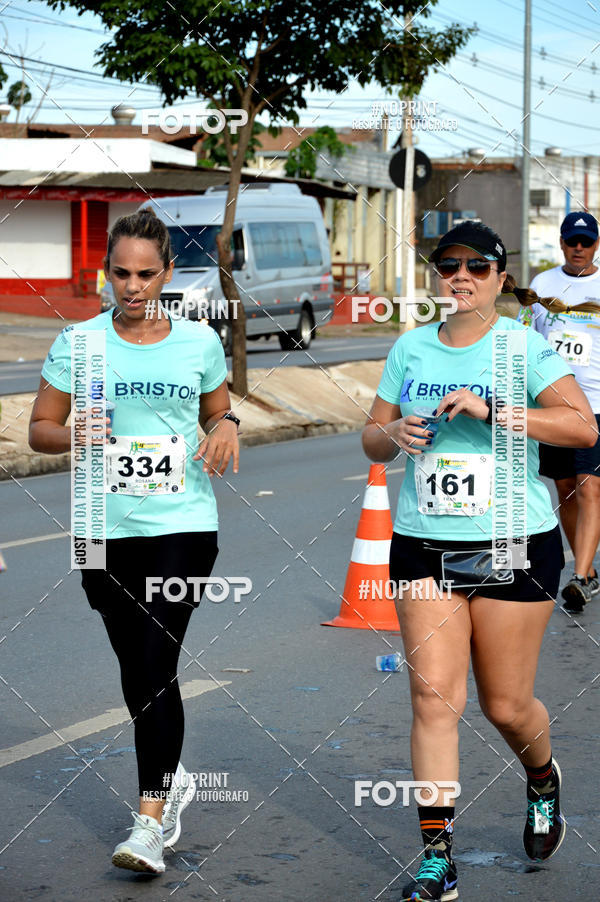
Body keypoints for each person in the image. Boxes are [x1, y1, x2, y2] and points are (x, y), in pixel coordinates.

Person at [362, 220, 596, 902]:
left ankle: (543, 776)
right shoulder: (409, 349)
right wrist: (391, 431)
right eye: (447, 266)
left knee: (506, 704)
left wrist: (498, 410)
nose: (458, 276)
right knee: (434, 698)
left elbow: (582, 426)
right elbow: (373, 442)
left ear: (499, 278)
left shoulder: (523, 347)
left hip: (513, 541)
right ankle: (438, 858)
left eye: (474, 266)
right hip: (423, 540)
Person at [29, 208, 240, 875]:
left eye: (146, 274)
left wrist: (228, 423)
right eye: (121, 273)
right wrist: (77, 435)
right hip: (100, 528)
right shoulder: (79, 343)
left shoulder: (198, 342)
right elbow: (39, 429)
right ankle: (172, 776)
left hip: (181, 524)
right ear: (107, 273)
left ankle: (149, 822)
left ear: (168, 273)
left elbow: (217, 407)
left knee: (154, 661)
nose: (133, 286)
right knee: (136, 665)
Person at [518, 212, 600, 612]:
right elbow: (529, 338)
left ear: (596, 245)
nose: (579, 249)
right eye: (572, 242)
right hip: (551, 404)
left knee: (590, 486)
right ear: (563, 243)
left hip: (596, 403)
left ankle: (582, 577)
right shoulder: (542, 284)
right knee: (565, 488)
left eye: (586, 242)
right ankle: (587, 569)